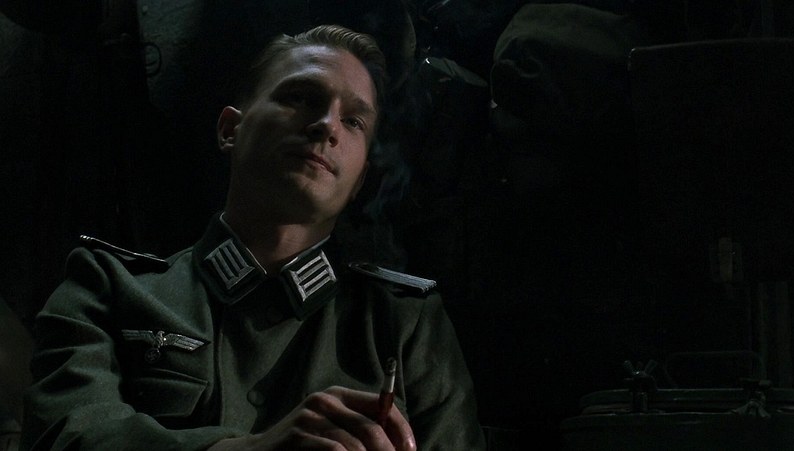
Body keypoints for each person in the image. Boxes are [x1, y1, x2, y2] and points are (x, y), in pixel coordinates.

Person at [21, 25, 486, 451]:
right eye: (301, 97)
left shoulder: (404, 325)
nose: (327, 125)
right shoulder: (107, 290)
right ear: (231, 129)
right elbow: (64, 435)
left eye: (353, 121)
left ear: (360, 180)